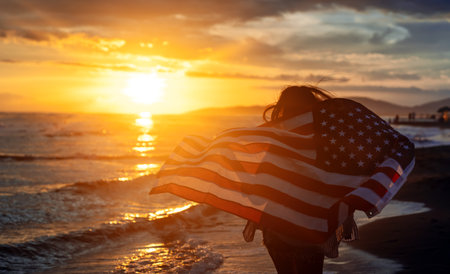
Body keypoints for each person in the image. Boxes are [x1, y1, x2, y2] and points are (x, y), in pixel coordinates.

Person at [243, 85, 359, 274]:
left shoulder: (276, 139)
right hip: (312, 226)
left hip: (277, 228)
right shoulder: (325, 139)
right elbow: (340, 179)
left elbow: (261, 185)